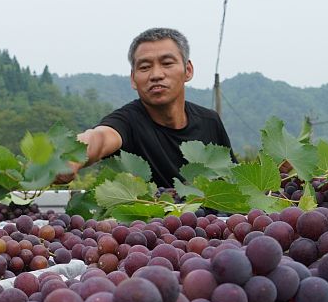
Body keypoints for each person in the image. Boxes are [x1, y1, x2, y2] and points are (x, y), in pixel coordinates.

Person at [67, 27, 233, 188]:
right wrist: (70, 155)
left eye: (167, 63)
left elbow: (232, 179)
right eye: (145, 67)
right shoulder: (127, 122)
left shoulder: (209, 122)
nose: (156, 75)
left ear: (187, 70)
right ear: (133, 79)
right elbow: (99, 138)